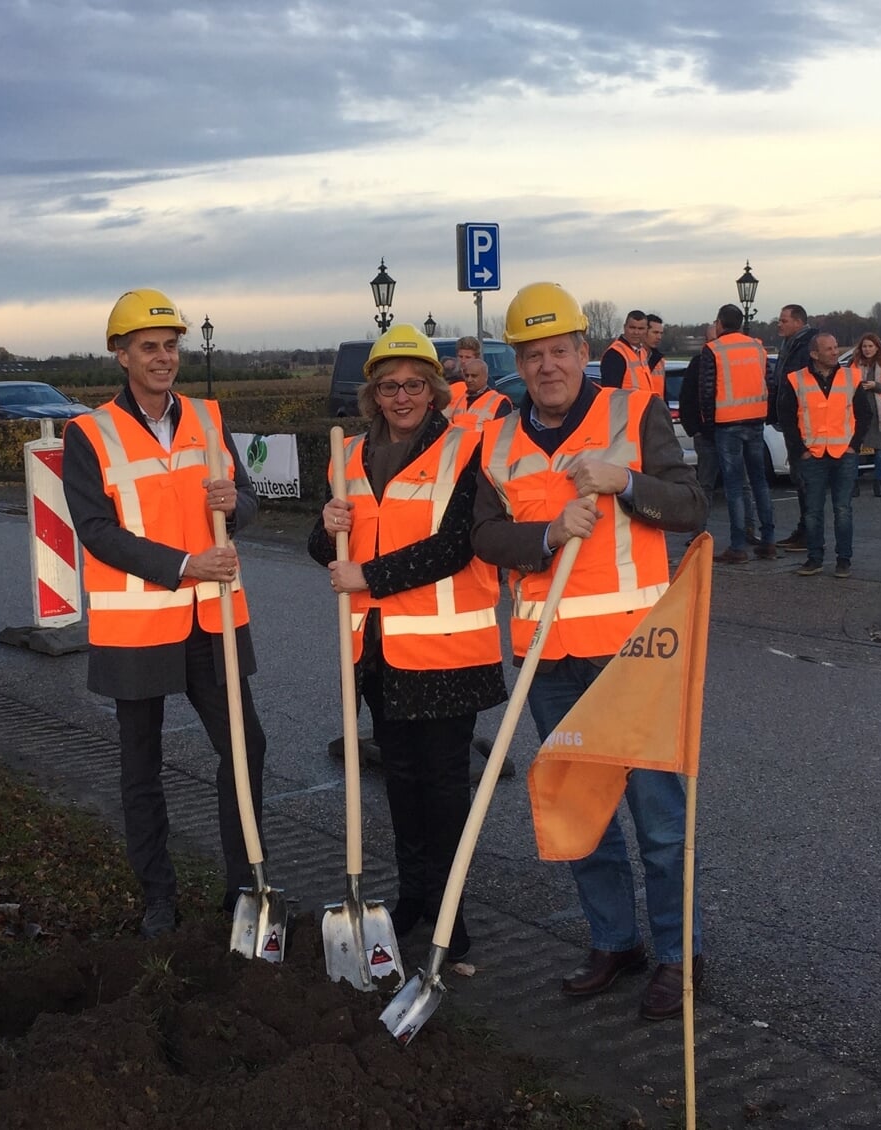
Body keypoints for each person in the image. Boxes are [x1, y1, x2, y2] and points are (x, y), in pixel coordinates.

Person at [471, 282, 707, 1022]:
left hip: (636, 656)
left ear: (583, 350)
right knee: (584, 817)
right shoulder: (499, 439)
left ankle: (678, 959)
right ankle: (615, 941)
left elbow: (692, 506)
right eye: (533, 355)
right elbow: (482, 536)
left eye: (560, 351)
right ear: (518, 362)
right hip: (550, 656)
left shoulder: (630, 414)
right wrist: (543, 537)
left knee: (660, 821)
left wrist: (625, 482)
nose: (548, 366)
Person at [61, 288, 268, 939]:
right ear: (121, 355)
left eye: (170, 346)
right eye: (148, 347)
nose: (163, 358)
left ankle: (244, 886)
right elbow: (96, 531)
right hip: (140, 628)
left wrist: (236, 504)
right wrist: (184, 566)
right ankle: (158, 895)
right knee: (140, 767)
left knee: (246, 748)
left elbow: (249, 506)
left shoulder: (209, 418)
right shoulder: (88, 434)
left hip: (215, 624)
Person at [309, 325, 506, 961]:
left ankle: (453, 915)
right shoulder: (348, 457)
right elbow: (329, 554)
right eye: (390, 386)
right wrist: (324, 527)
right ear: (373, 394)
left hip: (446, 653)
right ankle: (416, 897)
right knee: (400, 783)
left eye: (414, 385)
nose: (401, 397)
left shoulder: (464, 449)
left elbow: (456, 545)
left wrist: (369, 575)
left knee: (444, 789)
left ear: (434, 390)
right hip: (377, 653)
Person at [775, 332, 872, 578]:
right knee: (813, 510)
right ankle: (814, 558)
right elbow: (787, 418)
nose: (835, 352)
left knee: (843, 509)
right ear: (814, 354)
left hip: (843, 453)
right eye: (828, 349)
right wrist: (801, 451)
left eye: (836, 347)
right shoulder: (797, 380)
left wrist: (854, 445)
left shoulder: (850, 377)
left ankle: (843, 561)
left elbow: (864, 414)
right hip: (814, 454)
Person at [687, 303, 775, 564]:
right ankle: (768, 541)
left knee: (734, 486)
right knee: (759, 482)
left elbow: (706, 391)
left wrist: (708, 425)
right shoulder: (757, 347)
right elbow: (768, 382)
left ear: (720, 323)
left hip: (728, 424)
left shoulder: (713, 350)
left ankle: (738, 546)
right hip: (756, 420)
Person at [770, 304, 818, 552]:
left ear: (798, 322)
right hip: (790, 422)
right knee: (799, 480)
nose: (779, 324)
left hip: (802, 422)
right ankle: (804, 529)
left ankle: (809, 533)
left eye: (784, 320)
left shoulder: (807, 346)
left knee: (805, 480)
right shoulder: (789, 344)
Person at [848, 332, 881, 497]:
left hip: (879, 415)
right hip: (858, 413)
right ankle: (854, 485)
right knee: (854, 450)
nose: (867, 349)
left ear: (877, 347)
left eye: (870, 346)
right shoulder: (853, 364)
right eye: (864, 346)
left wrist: (875, 385)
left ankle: (878, 483)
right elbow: (846, 386)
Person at [447, 335, 511, 429]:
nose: (463, 361)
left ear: (477, 358)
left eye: (468, 357)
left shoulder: (486, 385)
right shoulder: (449, 380)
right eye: (460, 357)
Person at [600, 311, 667, 397]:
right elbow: (610, 396)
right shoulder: (615, 354)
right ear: (625, 327)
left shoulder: (641, 352)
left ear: (646, 330)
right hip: (628, 410)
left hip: (645, 409)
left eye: (640, 329)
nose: (636, 332)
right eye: (632, 328)